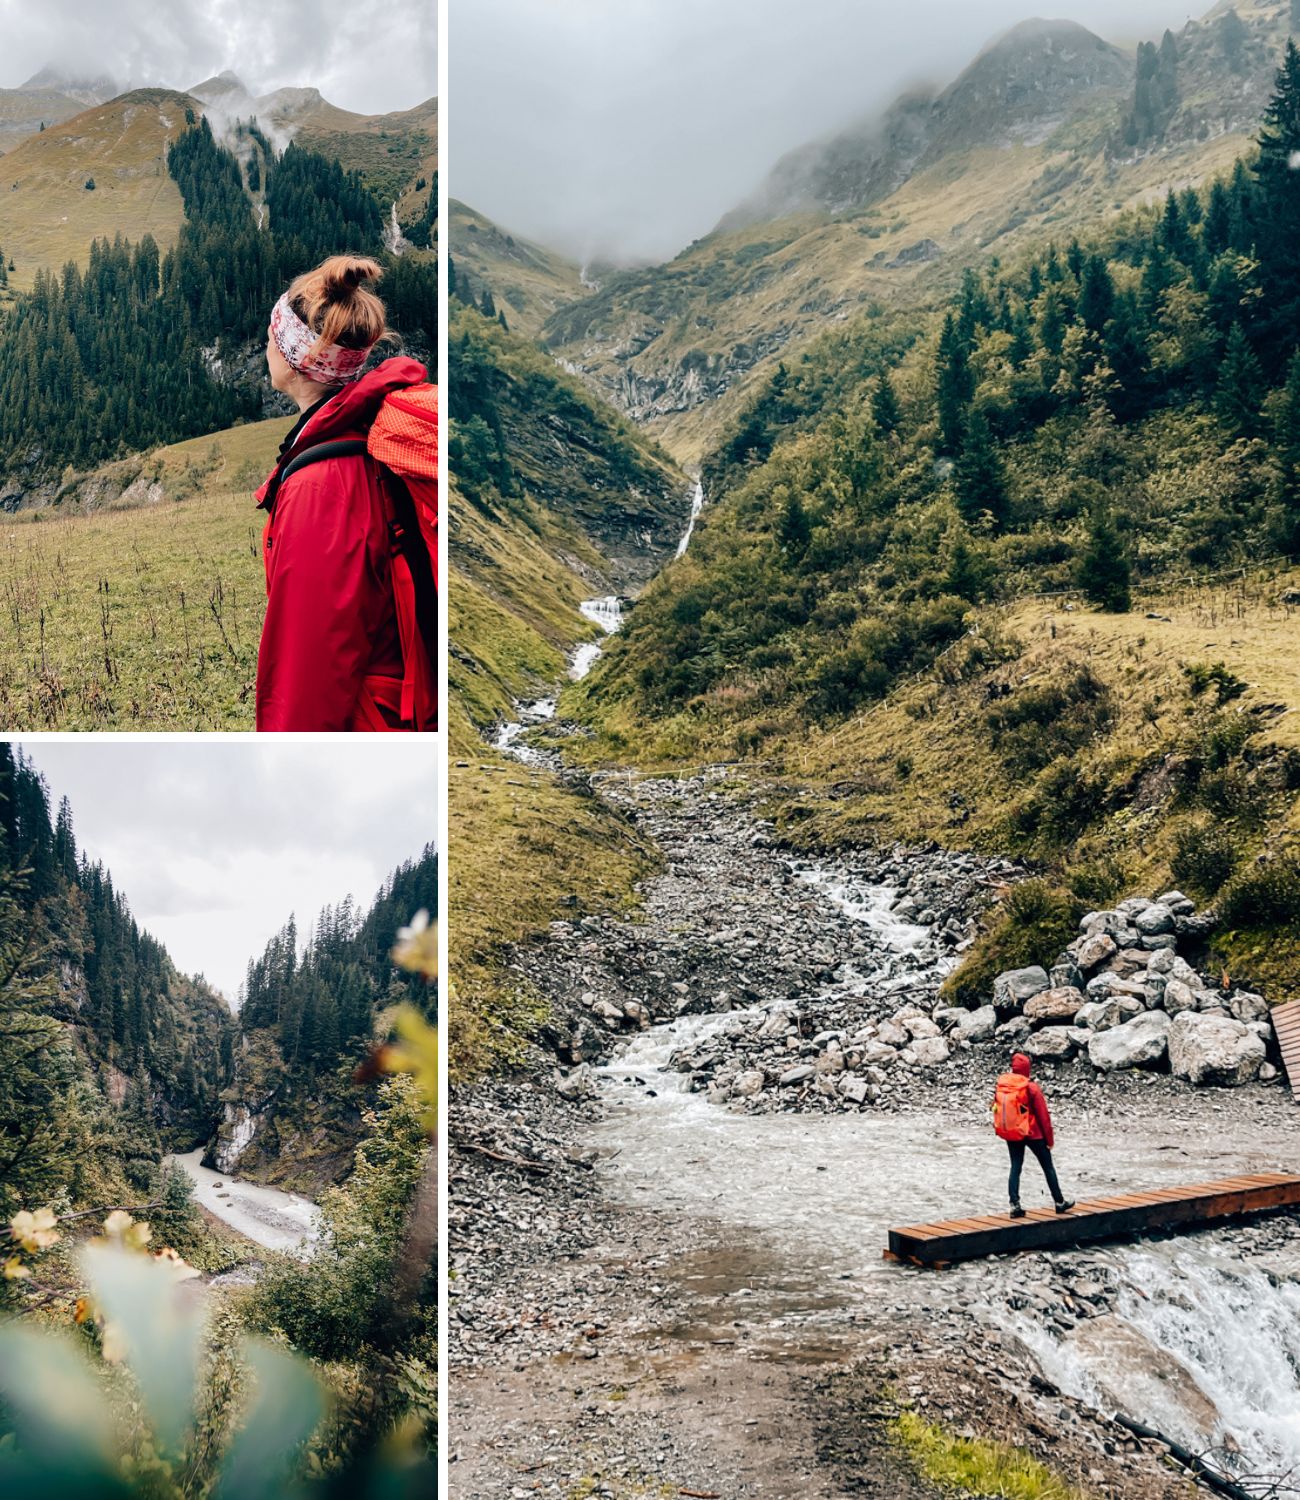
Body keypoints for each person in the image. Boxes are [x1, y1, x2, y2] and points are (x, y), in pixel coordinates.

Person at [255, 254, 436, 732]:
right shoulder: (359, 434)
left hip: (368, 720)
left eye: (273, 333)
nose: (266, 342)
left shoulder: (321, 486)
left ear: (298, 358)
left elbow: (310, 665)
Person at [991, 1053, 1075, 1218]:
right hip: (1034, 1134)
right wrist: (1049, 1140)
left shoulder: (1004, 1086)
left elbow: (996, 1107)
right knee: (1047, 1167)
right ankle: (1059, 1203)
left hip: (1013, 1132)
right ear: (1027, 1069)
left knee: (1016, 1166)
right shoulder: (1031, 1087)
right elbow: (1044, 1117)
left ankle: (1015, 1205)